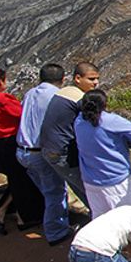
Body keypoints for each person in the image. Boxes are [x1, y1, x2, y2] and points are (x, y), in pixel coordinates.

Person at [0, 66, 45, 233]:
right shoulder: (2, 100)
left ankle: (4, 212)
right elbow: (22, 114)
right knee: (21, 180)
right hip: (10, 143)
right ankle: (22, 217)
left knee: (16, 179)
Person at [16, 62, 75, 245]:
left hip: (22, 151)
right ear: (63, 79)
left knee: (45, 189)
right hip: (38, 152)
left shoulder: (29, 93)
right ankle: (56, 232)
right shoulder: (56, 97)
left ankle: (54, 220)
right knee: (55, 193)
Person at [74, 89, 131, 216]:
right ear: (105, 104)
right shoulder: (110, 120)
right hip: (116, 180)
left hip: (91, 180)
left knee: (101, 219)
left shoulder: (79, 121)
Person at [39, 62, 99, 211]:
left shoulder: (64, 91)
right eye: (91, 79)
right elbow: (98, 121)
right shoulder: (78, 98)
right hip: (62, 153)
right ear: (78, 78)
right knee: (94, 193)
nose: (96, 83)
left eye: (97, 79)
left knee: (80, 189)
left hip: (50, 150)